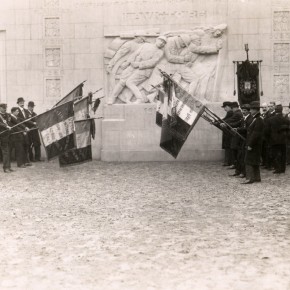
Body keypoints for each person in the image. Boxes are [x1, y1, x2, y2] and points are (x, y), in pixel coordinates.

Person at [108, 36, 167, 104]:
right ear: (157, 39)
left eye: (164, 43)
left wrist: (138, 64)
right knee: (122, 82)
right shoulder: (146, 45)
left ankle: (140, 98)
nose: (162, 43)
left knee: (130, 82)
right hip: (133, 66)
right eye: (161, 40)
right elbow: (135, 54)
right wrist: (128, 62)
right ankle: (112, 98)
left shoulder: (160, 52)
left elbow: (152, 63)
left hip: (144, 70)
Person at [242, 101, 264, 184]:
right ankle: (257, 177)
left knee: (248, 160)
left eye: (251, 109)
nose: (250, 111)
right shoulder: (256, 118)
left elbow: (256, 133)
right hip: (255, 144)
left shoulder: (258, 119)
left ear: (256, 110)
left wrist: (250, 144)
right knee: (255, 160)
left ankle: (250, 178)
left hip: (254, 144)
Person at [264, 104, 290, 174]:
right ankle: (282, 169)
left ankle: (277, 168)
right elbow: (288, 130)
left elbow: (266, 131)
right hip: (283, 140)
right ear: (281, 110)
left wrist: (268, 139)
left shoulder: (270, 120)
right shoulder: (286, 119)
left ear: (275, 111)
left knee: (275, 154)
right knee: (283, 154)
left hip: (273, 140)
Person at [231, 104, 253, 178]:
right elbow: (235, 124)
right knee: (239, 156)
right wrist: (227, 124)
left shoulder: (250, 119)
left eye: (245, 110)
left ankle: (244, 172)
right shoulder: (243, 119)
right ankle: (238, 171)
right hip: (241, 140)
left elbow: (247, 129)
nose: (243, 112)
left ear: (249, 111)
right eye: (242, 110)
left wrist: (237, 129)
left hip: (246, 140)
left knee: (243, 157)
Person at [221, 101, 243, 170]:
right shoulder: (237, 113)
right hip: (235, 132)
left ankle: (235, 164)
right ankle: (235, 164)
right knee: (234, 148)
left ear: (234, 108)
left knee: (234, 148)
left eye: (232, 108)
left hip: (236, 133)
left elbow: (231, 120)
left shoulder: (237, 113)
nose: (232, 110)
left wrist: (224, 123)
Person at [16, 97, 33, 165]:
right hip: (20, 130)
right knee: (21, 146)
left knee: (27, 145)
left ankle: (26, 161)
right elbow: (17, 121)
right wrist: (23, 128)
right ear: (18, 103)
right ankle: (22, 162)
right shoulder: (16, 110)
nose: (22, 103)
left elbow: (28, 119)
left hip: (27, 130)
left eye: (23, 102)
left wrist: (33, 123)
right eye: (20, 102)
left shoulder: (26, 111)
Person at [219, 101, 233, 166]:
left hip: (228, 133)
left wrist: (217, 122)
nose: (224, 109)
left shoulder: (230, 112)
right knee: (228, 147)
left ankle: (228, 161)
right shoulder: (230, 112)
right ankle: (227, 161)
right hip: (228, 132)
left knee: (228, 147)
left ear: (228, 106)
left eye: (225, 107)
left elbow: (225, 120)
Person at [0, 103, 13, 173]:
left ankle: (9, 167)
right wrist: (6, 126)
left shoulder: (8, 115)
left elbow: (10, 122)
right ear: (0, 108)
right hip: (2, 136)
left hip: (9, 135)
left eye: (6, 108)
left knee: (8, 151)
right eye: (3, 108)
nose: (5, 109)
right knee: (5, 152)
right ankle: (5, 168)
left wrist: (10, 126)